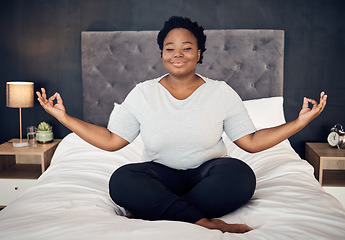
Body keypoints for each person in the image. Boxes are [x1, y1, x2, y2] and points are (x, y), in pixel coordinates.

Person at [36, 16, 327, 233]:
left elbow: (250, 142)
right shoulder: (142, 93)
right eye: (170, 48)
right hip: (159, 174)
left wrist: (298, 122)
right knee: (122, 180)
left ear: (199, 53)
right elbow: (113, 140)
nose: (178, 54)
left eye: (187, 48)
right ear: (162, 53)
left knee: (241, 175)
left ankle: (153, 210)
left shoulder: (221, 92)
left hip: (208, 173)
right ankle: (207, 223)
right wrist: (64, 117)